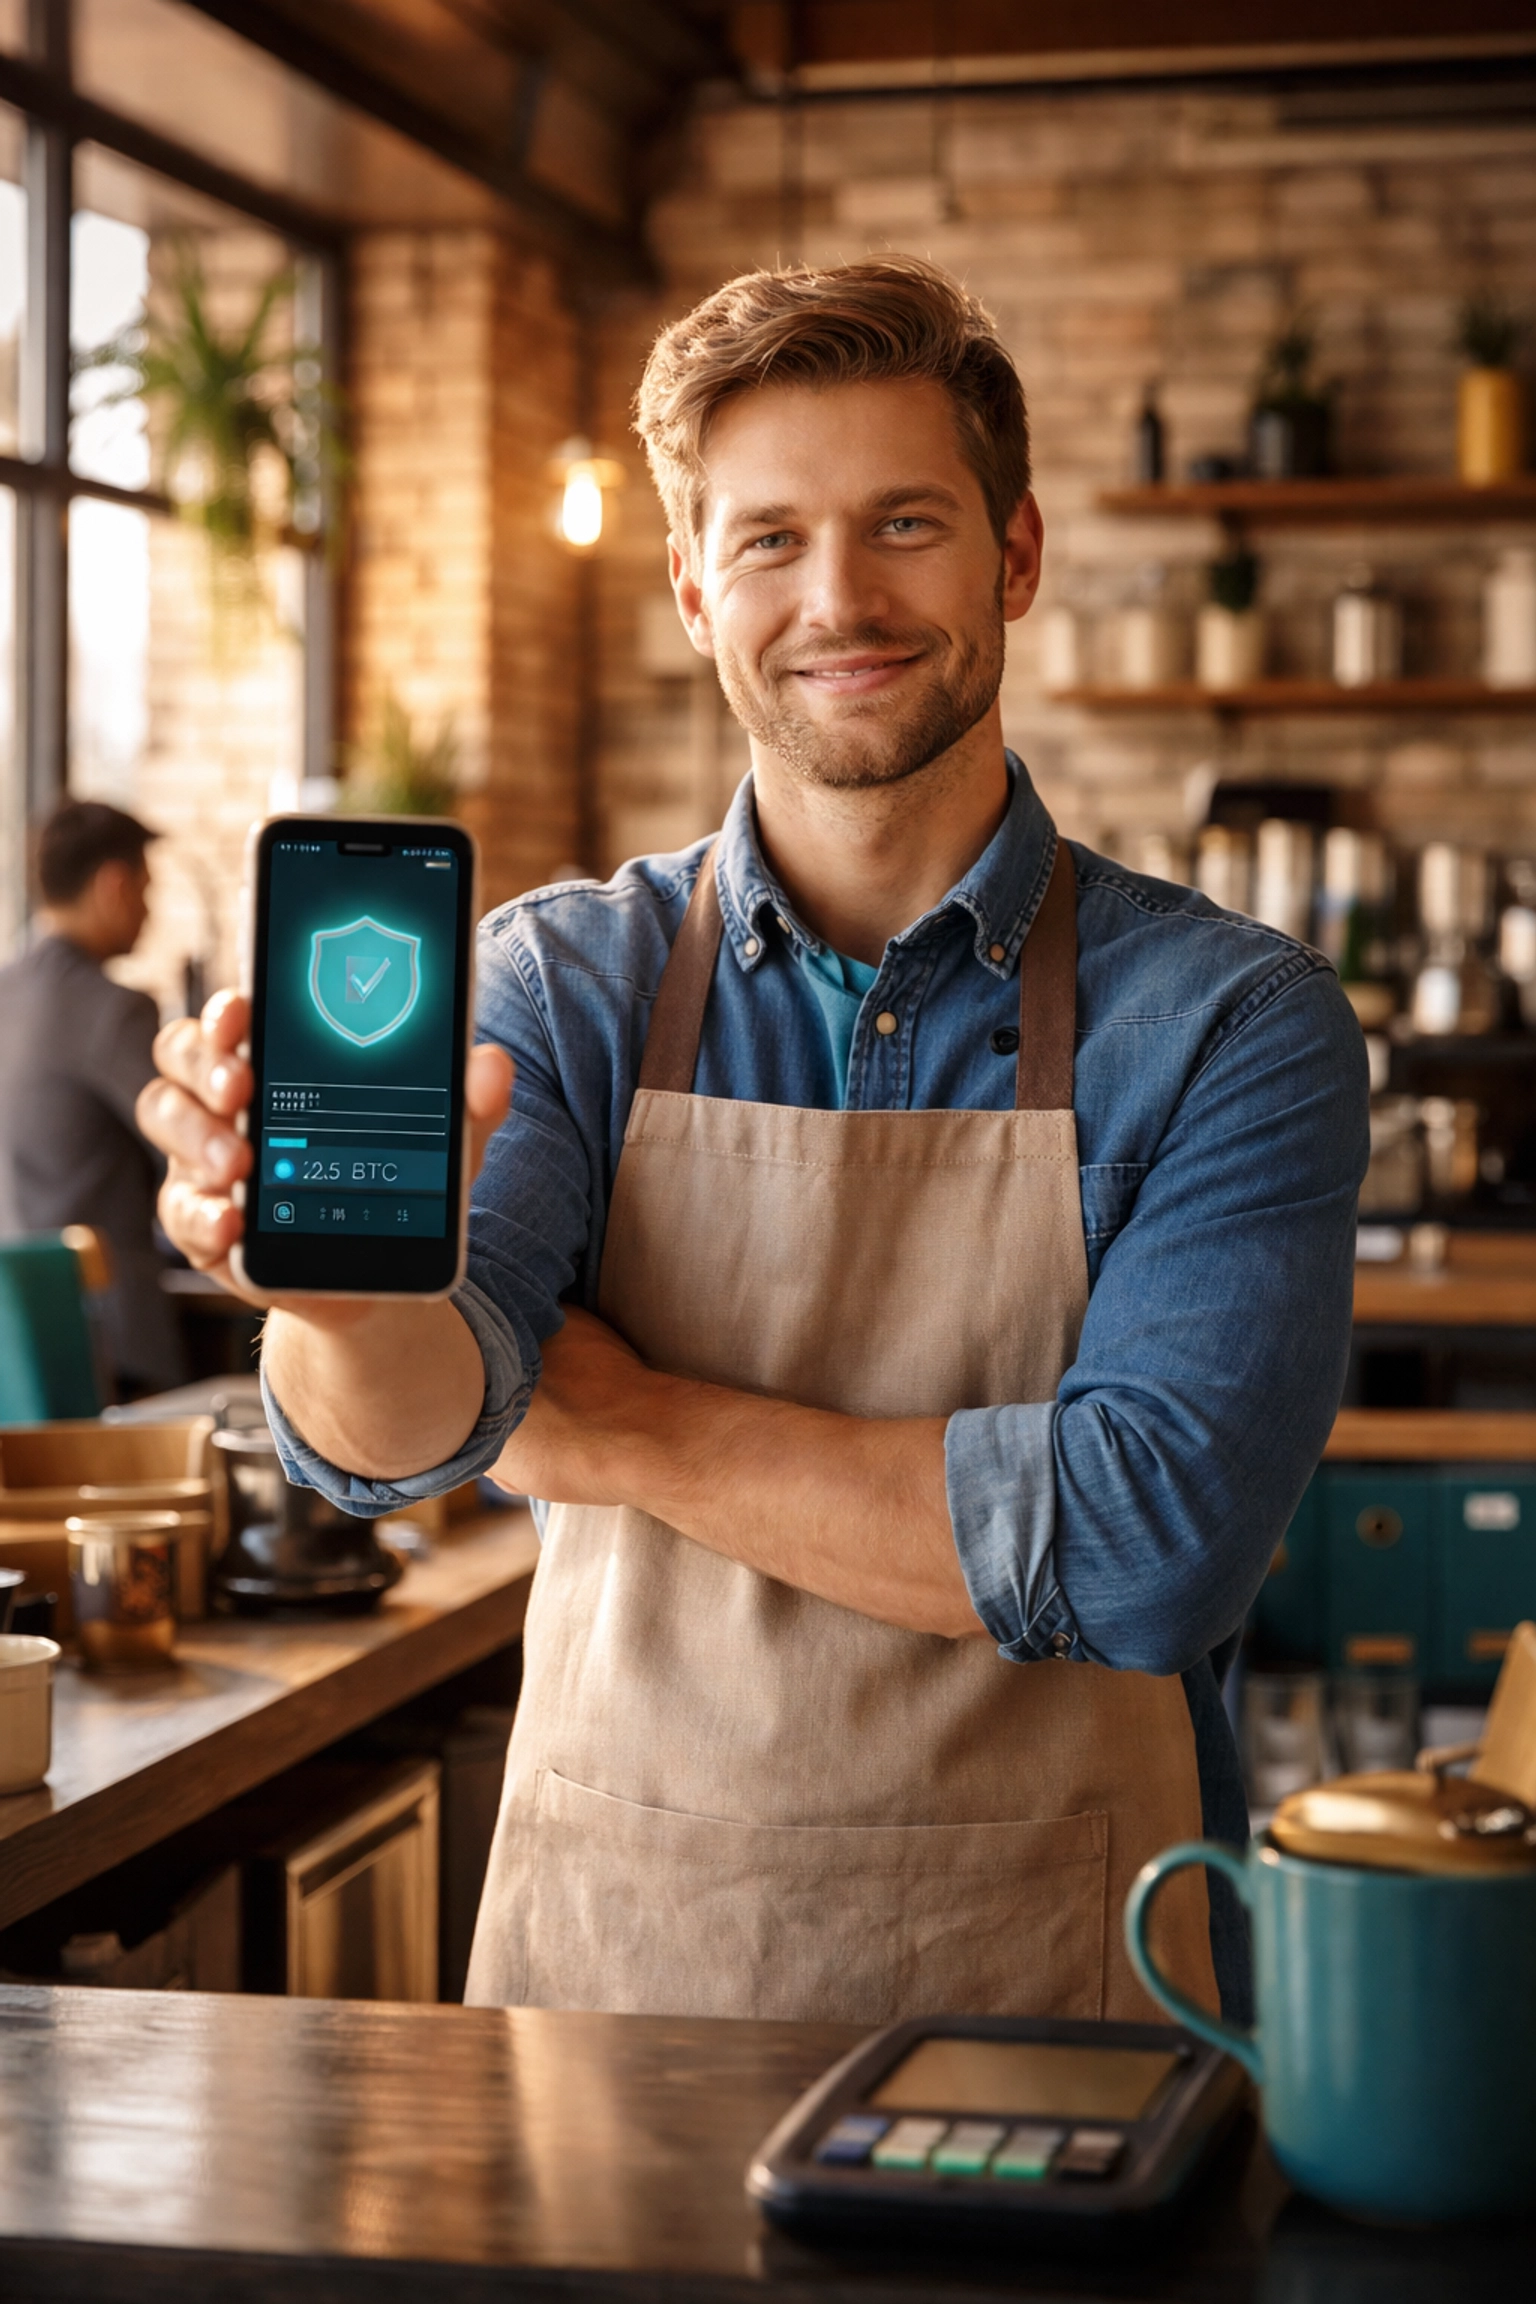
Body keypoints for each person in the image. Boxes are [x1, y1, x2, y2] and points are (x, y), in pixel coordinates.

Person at [140, 258, 1368, 2026]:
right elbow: (407, 1439)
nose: (840, 597)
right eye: (771, 538)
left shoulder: (1231, 1020)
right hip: (616, 1988)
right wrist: (330, 1299)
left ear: (1013, 557)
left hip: (1065, 2010)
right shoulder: (565, 979)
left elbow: (1138, 1549)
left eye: (905, 523)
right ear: (695, 591)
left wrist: (619, 1412)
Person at [0, 799, 187, 1397]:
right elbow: (190, 1150)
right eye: (145, 889)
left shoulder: (7, 993)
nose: (149, 910)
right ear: (114, 885)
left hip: (15, 1349)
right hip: (106, 1347)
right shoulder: (113, 1011)